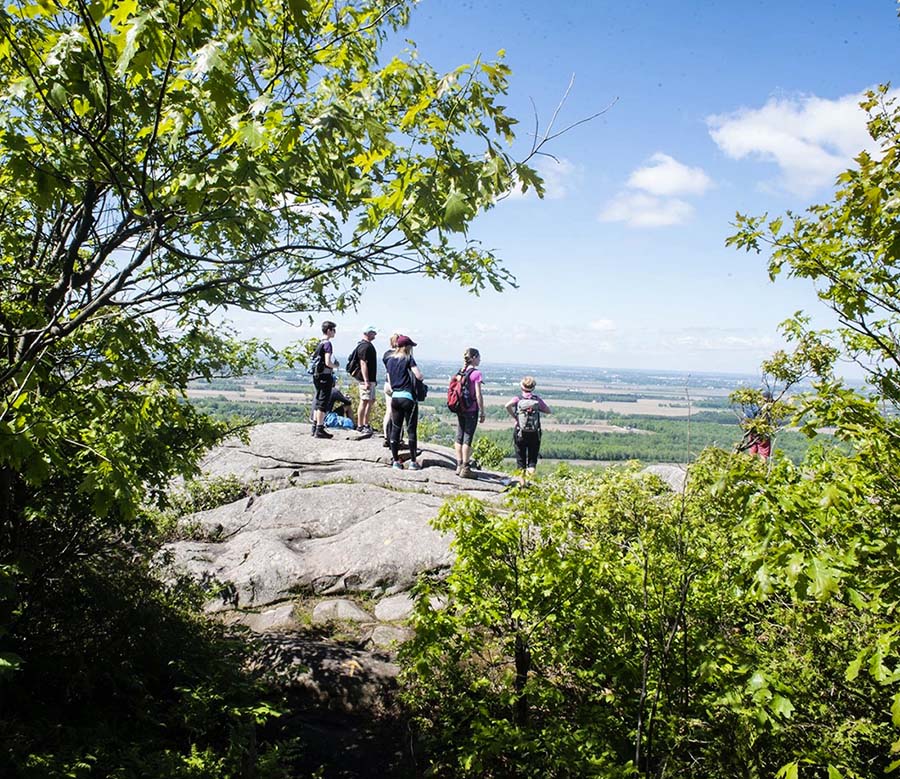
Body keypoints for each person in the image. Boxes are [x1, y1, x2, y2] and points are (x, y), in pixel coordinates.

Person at [384, 334, 424, 470]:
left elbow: (389, 380)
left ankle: (395, 461)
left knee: (396, 428)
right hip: (408, 398)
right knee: (411, 429)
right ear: (407, 347)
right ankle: (413, 462)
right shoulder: (408, 358)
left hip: (395, 398)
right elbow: (418, 375)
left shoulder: (389, 360)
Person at [505, 376, 552, 480]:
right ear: (533, 388)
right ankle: (529, 482)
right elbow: (548, 411)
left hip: (519, 432)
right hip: (535, 433)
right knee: (532, 461)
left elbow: (507, 405)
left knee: (520, 460)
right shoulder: (536, 399)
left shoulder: (518, 399)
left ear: (522, 387)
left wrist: (515, 416)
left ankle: (521, 484)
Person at [454, 347, 484, 478]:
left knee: (459, 436)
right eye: (479, 357)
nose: (480, 360)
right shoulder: (476, 374)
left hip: (460, 408)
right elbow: (478, 394)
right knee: (467, 438)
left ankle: (459, 465)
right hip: (471, 409)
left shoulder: (461, 372)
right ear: (474, 357)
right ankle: (466, 468)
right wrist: (482, 411)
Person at [311, 320, 338, 439]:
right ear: (328, 330)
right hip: (325, 376)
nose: (335, 332)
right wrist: (335, 365)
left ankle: (315, 426)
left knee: (318, 400)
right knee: (323, 402)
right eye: (333, 330)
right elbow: (328, 362)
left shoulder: (319, 343)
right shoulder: (327, 344)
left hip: (317, 375)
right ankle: (320, 429)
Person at [351, 325, 378, 438]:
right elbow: (363, 363)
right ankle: (362, 425)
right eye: (373, 332)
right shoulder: (365, 347)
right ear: (368, 333)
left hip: (369, 380)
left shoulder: (365, 345)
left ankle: (364, 424)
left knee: (369, 400)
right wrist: (366, 380)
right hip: (365, 380)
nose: (375, 335)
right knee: (365, 401)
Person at [739, 391, 774, 460]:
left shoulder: (752, 406)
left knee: (752, 450)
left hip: (751, 431)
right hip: (763, 432)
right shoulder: (765, 408)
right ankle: (762, 469)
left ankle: (751, 467)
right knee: (764, 453)